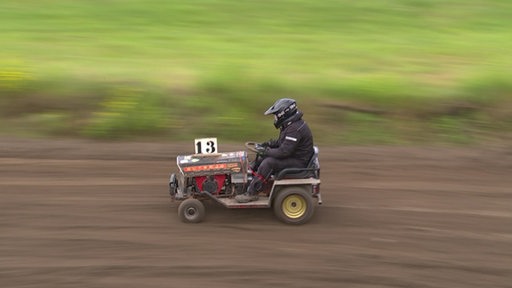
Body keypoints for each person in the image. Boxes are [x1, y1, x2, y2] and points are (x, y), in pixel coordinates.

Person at [235, 98, 314, 203]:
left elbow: (284, 151)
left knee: (268, 162)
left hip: (299, 162)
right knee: (262, 158)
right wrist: (267, 144)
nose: (275, 118)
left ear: (283, 114)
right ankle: (248, 183)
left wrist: (266, 151)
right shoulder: (291, 125)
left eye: (276, 115)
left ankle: (252, 193)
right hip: (296, 156)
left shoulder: (295, 129)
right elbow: (282, 142)